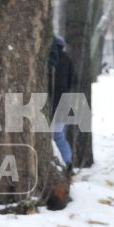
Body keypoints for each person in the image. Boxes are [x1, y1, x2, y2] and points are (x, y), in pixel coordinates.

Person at [46, 34, 76, 167]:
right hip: (64, 102)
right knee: (59, 135)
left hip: (51, 102)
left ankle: (67, 164)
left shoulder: (46, 59)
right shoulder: (66, 58)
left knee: (56, 135)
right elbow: (73, 80)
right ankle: (68, 162)